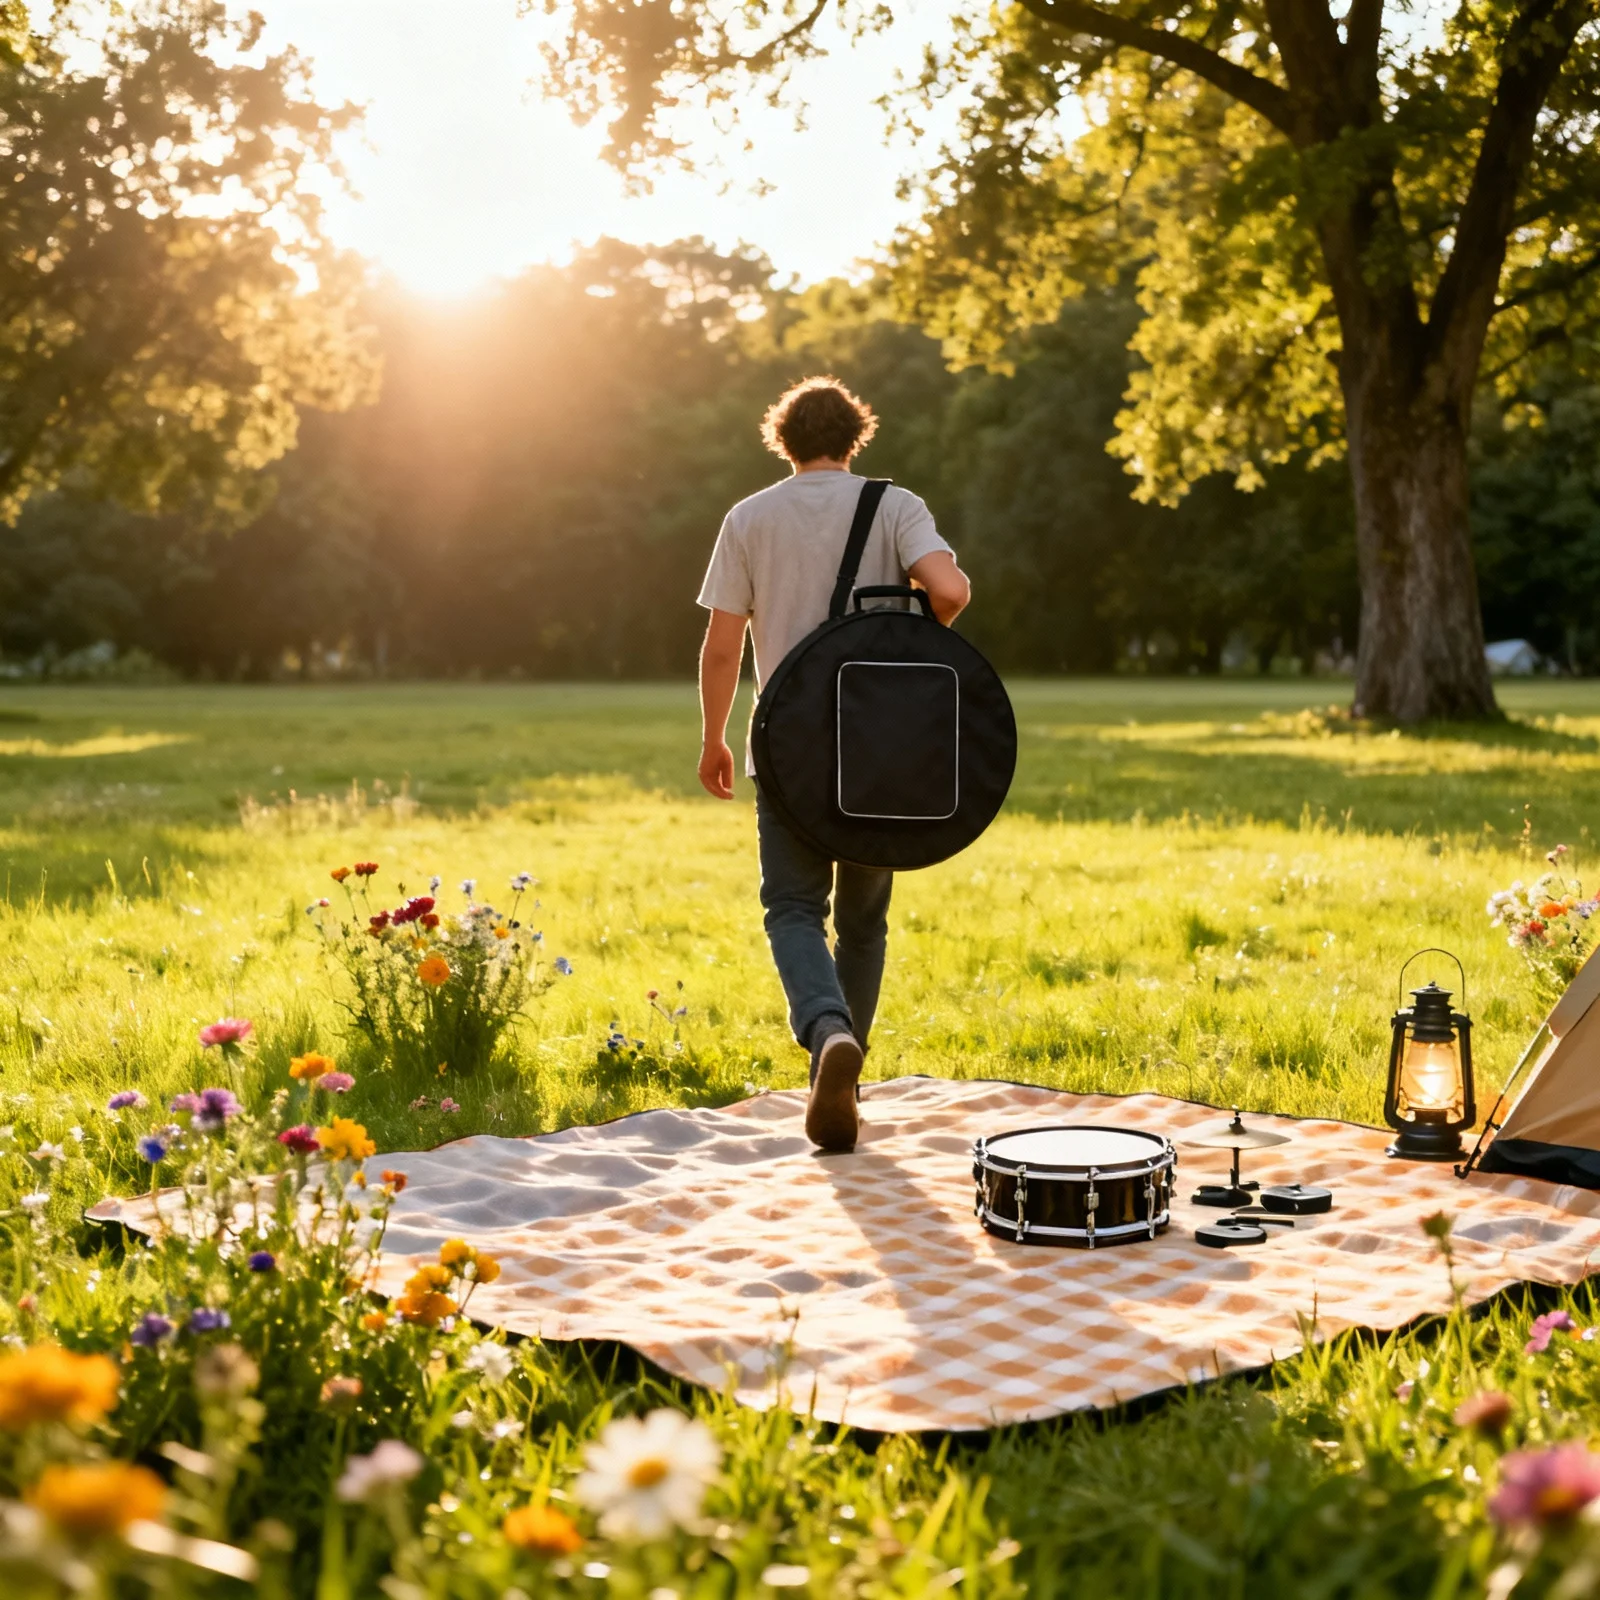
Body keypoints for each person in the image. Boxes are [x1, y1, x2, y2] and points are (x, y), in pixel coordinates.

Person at [695, 375, 972, 1152]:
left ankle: (825, 1038)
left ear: (781, 439)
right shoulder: (894, 505)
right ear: (856, 437)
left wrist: (715, 738)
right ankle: (844, 1072)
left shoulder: (749, 517)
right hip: (877, 749)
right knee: (863, 924)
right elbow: (949, 590)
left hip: (786, 746)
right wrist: (899, 635)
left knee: (790, 906)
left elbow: (723, 647)